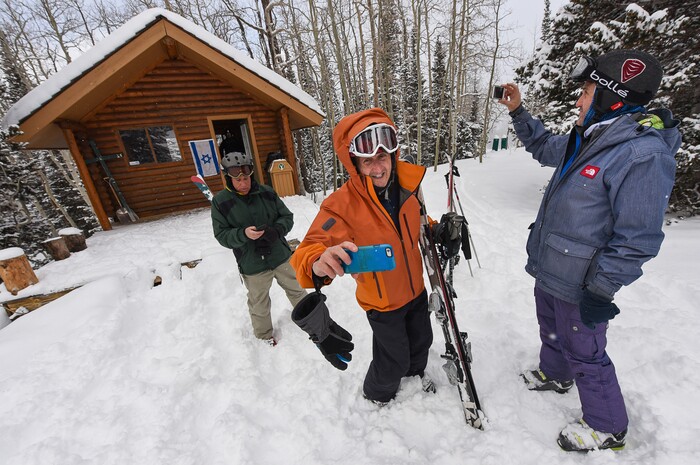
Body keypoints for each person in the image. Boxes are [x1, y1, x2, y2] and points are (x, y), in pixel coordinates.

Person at [497, 49, 680, 451]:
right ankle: (555, 374)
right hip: (553, 269)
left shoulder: (641, 155)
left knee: (586, 350)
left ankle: (607, 424)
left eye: (586, 91)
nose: (579, 100)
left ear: (611, 98)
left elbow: (638, 240)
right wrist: (519, 112)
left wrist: (601, 289)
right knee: (551, 328)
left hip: (584, 283)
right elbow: (545, 146)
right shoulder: (589, 138)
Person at [290, 108, 441, 406]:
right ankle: (377, 395)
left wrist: (439, 231)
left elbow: (420, 224)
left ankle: (414, 374)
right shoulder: (342, 205)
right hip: (383, 303)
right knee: (392, 360)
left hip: (415, 291)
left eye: (382, 157)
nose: (377, 167)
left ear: (393, 156)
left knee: (421, 342)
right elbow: (309, 248)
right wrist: (319, 261)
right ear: (355, 163)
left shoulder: (409, 188)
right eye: (367, 160)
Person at [211, 150, 307, 346]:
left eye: (246, 178)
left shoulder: (267, 193)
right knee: (259, 305)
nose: (243, 183)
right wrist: (242, 234)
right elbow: (222, 236)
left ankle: (310, 320)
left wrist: (277, 230)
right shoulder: (220, 202)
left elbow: (287, 217)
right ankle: (264, 337)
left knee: (297, 289)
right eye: (237, 180)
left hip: (280, 255)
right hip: (252, 263)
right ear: (228, 178)